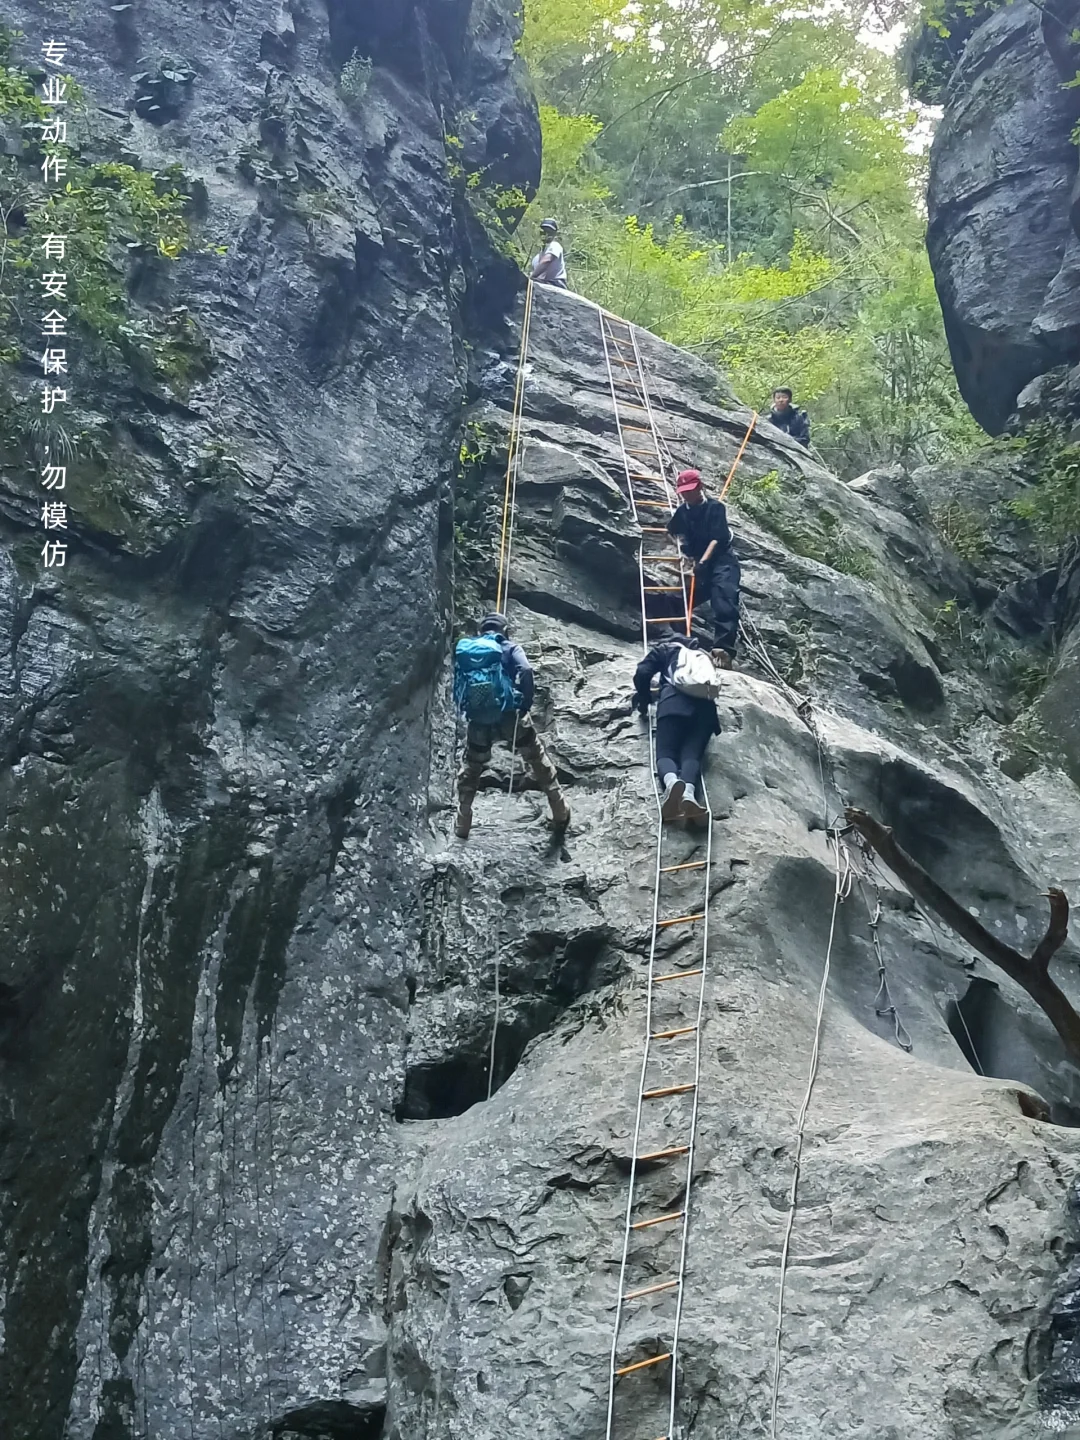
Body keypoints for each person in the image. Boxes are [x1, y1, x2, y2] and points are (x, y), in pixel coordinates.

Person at [453, 612, 570, 840]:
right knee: (536, 757)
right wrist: (525, 703)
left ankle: (463, 822)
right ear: (505, 630)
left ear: (481, 630)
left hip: (479, 718)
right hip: (510, 717)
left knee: (472, 768)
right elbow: (525, 670)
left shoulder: (470, 649)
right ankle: (559, 810)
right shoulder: (508, 647)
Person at [632, 629, 721, 824]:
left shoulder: (667, 649)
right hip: (705, 711)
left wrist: (644, 700)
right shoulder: (702, 657)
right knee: (692, 755)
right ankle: (688, 794)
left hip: (674, 703)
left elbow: (643, 672)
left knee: (666, 753)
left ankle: (672, 784)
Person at [666, 469, 740, 669]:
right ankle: (682, 639)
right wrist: (683, 551)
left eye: (690, 490)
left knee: (723, 600)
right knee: (677, 600)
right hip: (699, 563)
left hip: (722, 562)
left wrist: (702, 563)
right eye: (683, 491)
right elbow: (672, 531)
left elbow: (717, 538)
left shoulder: (716, 508)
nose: (686, 495)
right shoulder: (683, 512)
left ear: (699, 487)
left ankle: (722, 651)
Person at [530, 219, 568, 290]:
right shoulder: (537, 258)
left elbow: (546, 261)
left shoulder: (555, 246)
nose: (546, 234)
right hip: (545, 282)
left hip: (557, 283)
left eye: (550, 232)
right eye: (544, 231)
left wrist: (531, 277)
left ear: (554, 234)